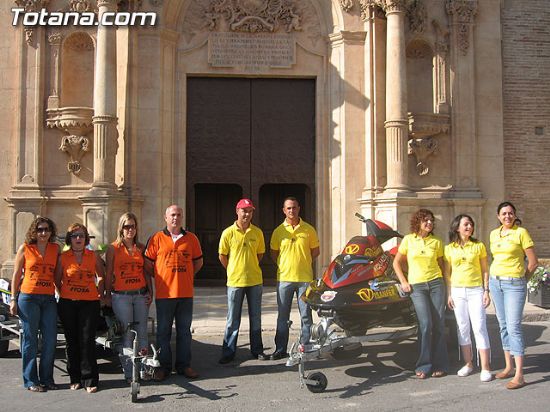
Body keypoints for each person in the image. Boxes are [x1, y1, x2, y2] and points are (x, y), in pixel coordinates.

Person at [144, 205, 203, 380]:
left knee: (184, 332)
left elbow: (198, 262)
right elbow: (147, 263)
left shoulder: (191, 239)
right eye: (172, 215)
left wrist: (187, 276)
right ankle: (164, 367)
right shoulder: (156, 238)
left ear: (182, 217)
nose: (175, 218)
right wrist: (161, 276)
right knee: (163, 332)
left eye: (178, 215)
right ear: (166, 217)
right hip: (165, 295)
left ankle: (184, 366)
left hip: (185, 294)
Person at [393, 209, 449, 379]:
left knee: (439, 324)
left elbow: (442, 265)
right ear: (417, 222)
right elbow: (396, 263)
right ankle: (424, 365)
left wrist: (449, 286)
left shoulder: (437, 242)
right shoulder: (409, 240)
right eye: (426, 220)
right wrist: (404, 281)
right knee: (425, 325)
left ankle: (441, 364)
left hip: (436, 284)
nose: (429, 223)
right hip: (417, 287)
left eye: (431, 221)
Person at [489, 201, 538, 390]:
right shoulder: (494, 234)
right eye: (503, 213)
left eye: (510, 213)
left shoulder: (521, 232)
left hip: (514, 283)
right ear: (498, 216)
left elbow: (532, 262)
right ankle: (508, 366)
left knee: (513, 326)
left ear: (515, 215)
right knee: (503, 325)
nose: (507, 216)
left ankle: (519, 374)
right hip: (495, 282)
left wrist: (522, 280)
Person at [9, 217, 60, 392]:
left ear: (51, 231)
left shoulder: (55, 249)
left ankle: (47, 378)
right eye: (39, 230)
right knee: (30, 341)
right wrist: (13, 299)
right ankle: (31, 380)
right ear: (34, 231)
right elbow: (16, 274)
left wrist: (62, 293)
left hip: (48, 299)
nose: (43, 233)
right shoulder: (26, 248)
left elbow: (58, 275)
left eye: (46, 229)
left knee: (50, 340)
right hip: (28, 298)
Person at [55, 223, 106, 393]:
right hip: (67, 303)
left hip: (89, 303)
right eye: (75, 235)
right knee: (72, 341)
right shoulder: (63, 257)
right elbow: (56, 280)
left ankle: (90, 379)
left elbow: (101, 277)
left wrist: (98, 293)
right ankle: (75, 378)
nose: (78, 238)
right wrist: (65, 293)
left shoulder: (93, 256)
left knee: (87, 341)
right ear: (70, 239)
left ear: (85, 239)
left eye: (81, 235)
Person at [218, 198, 268, 363]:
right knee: (233, 318)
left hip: (254, 280)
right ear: (237, 211)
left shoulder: (257, 233)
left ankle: (257, 350)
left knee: (256, 317)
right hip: (235, 282)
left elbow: (260, 254)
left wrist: (249, 266)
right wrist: (232, 269)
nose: (247, 214)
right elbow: (222, 255)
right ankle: (228, 352)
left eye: (250, 211)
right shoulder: (228, 233)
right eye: (244, 210)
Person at [269, 197, 319, 360]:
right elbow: (273, 253)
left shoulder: (309, 229)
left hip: (304, 278)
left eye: (294, 208)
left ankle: (307, 346)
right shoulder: (278, 231)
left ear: (299, 208)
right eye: (288, 208)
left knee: (306, 314)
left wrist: (302, 262)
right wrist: (285, 264)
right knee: (283, 315)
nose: (292, 211)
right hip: (284, 279)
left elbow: (315, 251)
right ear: (284, 210)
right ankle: (280, 348)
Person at [105, 212, 153, 382]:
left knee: (142, 334)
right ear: (121, 228)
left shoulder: (141, 247)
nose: (130, 230)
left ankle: (144, 369)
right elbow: (108, 272)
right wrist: (106, 295)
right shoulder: (113, 248)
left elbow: (146, 272)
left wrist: (150, 291)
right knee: (126, 334)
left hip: (140, 294)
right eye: (126, 226)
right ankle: (129, 372)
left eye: (133, 226)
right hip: (121, 296)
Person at [443, 214, 492, 382]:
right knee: (462, 328)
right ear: (457, 228)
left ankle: (485, 367)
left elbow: (485, 269)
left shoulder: (479, 246)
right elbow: (447, 273)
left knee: (479, 327)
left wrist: (486, 290)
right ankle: (469, 364)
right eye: (465, 224)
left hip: (475, 290)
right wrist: (449, 293)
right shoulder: (449, 249)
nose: (469, 226)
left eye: (470, 224)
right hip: (457, 291)